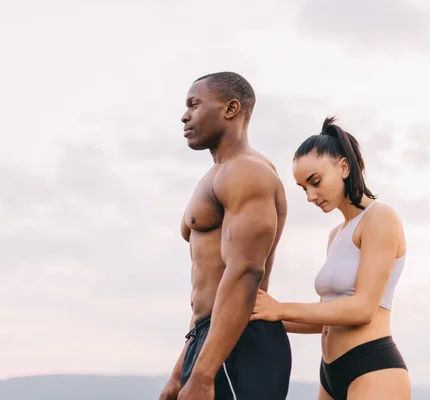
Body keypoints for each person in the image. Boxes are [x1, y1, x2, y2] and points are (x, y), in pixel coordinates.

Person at [250, 117, 411, 400]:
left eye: (315, 181)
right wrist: (258, 315)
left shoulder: (380, 219)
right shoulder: (336, 234)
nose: (311, 195)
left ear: (344, 167)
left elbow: (362, 310)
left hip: (372, 368)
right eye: (303, 188)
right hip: (330, 373)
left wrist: (281, 308)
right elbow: (326, 318)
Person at [158, 72, 292, 400]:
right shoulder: (216, 175)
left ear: (231, 109)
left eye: (195, 104)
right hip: (210, 341)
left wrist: (203, 374)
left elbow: (245, 273)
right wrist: (181, 371)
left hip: (240, 345)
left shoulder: (248, 172)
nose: (184, 115)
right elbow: (209, 293)